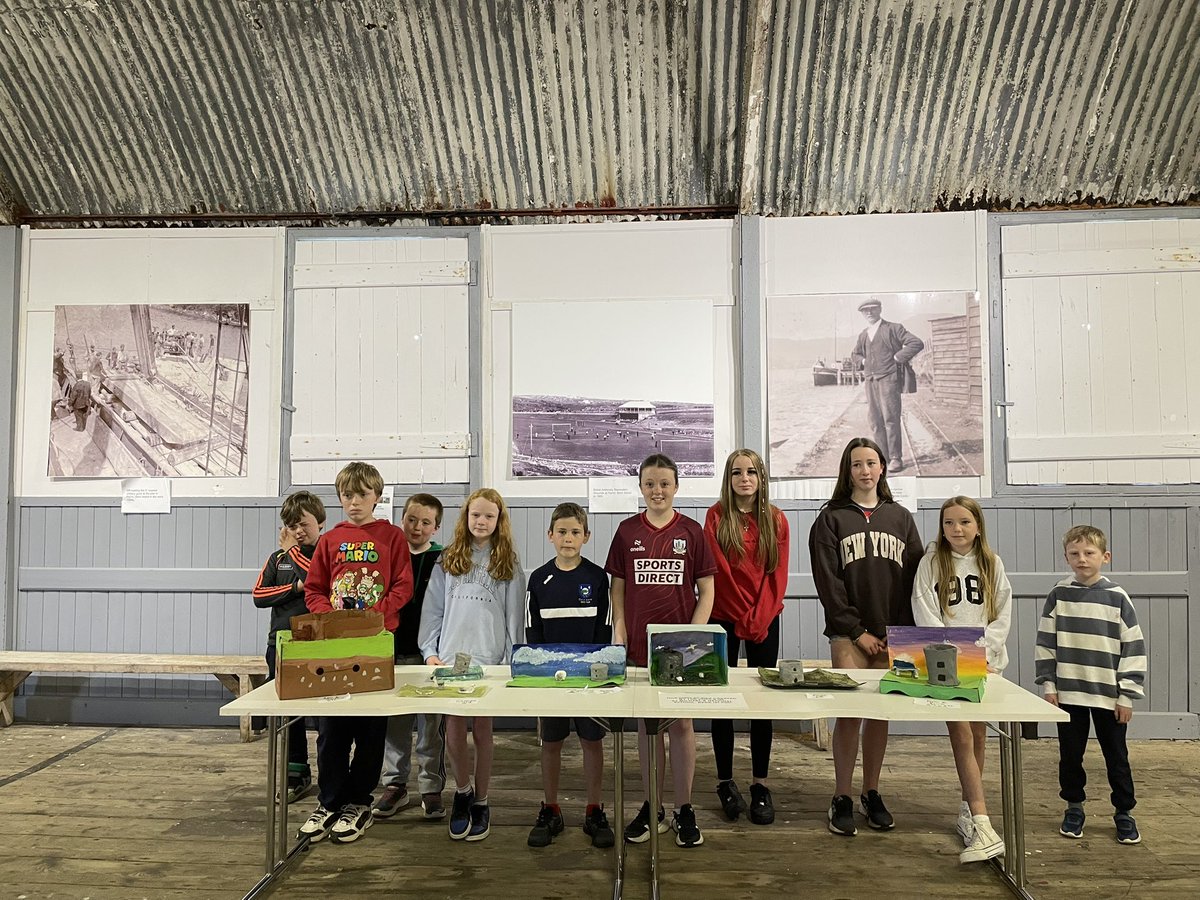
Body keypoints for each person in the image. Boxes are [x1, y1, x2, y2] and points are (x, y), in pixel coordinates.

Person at [809, 437, 922, 836]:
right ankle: (841, 794)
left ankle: (871, 792)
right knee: (850, 713)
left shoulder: (901, 518)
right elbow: (829, 584)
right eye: (856, 464)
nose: (864, 470)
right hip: (849, 634)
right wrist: (857, 631)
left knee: (879, 714)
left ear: (882, 467)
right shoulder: (830, 519)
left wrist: (900, 634)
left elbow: (914, 580)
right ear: (847, 470)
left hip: (892, 635)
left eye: (871, 463)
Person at [298, 462, 414, 845]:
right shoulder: (331, 539)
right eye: (347, 495)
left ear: (376, 496)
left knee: (370, 729)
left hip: (376, 643)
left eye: (362, 495)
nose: (354, 502)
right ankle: (329, 801)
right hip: (335, 645)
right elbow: (314, 589)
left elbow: (402, 586)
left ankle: (359, 801)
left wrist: (373, 616)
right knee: (331, 729)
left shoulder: (392, 537)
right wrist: (330, 618)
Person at [606, 453, 716, 849]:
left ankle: (684, 808)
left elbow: (707, 590)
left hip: (680, 650)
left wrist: (693, 637)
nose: (657, 491)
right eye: (650, 484)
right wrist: (620, 629)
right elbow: (618, 588)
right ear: (640, 487)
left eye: (664, 484)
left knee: (682, 725)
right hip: (639, 647)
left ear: (676, 487)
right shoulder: (626, 531)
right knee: (648, 729)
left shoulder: (691, 531)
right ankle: (653, 807)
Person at [418, 488, 525, 843]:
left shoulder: (507, 561)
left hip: (489, 659)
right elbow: (433, 609)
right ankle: (462, 793)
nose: (481, 521)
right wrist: (429, 650)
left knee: (483, 731)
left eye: (489, 516)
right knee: (453, 728)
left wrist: (511, 657)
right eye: (475, 514)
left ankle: (482, 799)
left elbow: (514, 616)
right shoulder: (448, 558)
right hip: (450, 658)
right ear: (466, 517)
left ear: (499, 520)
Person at [911, 496, 1012, 863]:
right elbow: (924, 609)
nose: (956, 529)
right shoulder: (931, 563)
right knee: (962, 735)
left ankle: (969, 811)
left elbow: (1001, 612)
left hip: (985, 663)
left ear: (978, 526)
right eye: (949, 522)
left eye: (964, 522)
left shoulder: (991, 563)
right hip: (949, 665)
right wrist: (953, 652)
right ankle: (982, 821)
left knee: (979, 735)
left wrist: (983, 651)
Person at [1035, 525, 1146, 845]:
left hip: (1109, 697)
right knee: (1070, 756)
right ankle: (1074, 806)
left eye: (1089, 553)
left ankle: (1124, 811)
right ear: (1066, 557)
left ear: (1105, 556)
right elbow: (1046, 643)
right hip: (1069, 694)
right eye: (1074, 553)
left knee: (1117, 757)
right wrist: (1049, 686)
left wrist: (1127, 695)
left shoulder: (1117, 597)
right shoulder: (1059, 595)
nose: (1081, 559)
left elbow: (1133, 646)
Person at [703, 449, 789, 826]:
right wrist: (742, 615)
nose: (744, 478)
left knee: (761, 702)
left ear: (761, 477)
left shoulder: (776, 519)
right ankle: (725, 781)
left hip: (764, 618)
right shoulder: (715, 517)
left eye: (751, 472)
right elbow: (718, 572)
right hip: (724, 616)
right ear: (729, 478)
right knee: (721, 700)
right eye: (737, 472)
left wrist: (759, 616)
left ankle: (760, 784)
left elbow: (777, 576)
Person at [525, 502, 615, 849]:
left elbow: (604, 629)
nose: (568, 538)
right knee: (551, 742)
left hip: (589, 678)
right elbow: (532, 631)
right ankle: (551, 808)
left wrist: (596, 672)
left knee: (592, 741)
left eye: (575, 532)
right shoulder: (539, 579)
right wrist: (541, 672)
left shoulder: (597, 578)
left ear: (586, 536)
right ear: (550, 535)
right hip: (552, 680)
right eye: (561, 531)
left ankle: (594, 809)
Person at [374, 493, 448, 822]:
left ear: (436, 527)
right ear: (401, 519)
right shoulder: (389, 554)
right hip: (393, 649)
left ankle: (431, 787)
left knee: (431, 726)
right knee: (395, 724)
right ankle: (395, 784)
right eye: (412, 520)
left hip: (430, 655)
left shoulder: (443, 560)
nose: (417, 527)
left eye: (426, 522)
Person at [251, 491, 326, 802]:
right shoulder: (276, 558)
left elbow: (318, 582)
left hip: (320, 646)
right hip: (281, 645)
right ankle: (297, 772)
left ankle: (331, 774)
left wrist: (294, 554)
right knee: (288, 712)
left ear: (320, 522)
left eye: (304, 524)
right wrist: (295, 587)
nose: (298, 531)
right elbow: (259, 596)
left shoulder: (325, 554)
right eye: (291, 525)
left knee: (326, 714)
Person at [850, 298, 923, 473]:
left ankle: (896, 458)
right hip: (870, 381)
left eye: (872, 309)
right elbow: (854, 355)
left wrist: (898, 357)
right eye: (865, 310)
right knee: (875, 421)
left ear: (880, 309)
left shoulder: (893, 328)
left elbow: (916, 343)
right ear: (862, 314)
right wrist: (864, 361)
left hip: (889, 380)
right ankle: (883, 458)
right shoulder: (863, 334)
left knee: (890, 419)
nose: (869, 312)